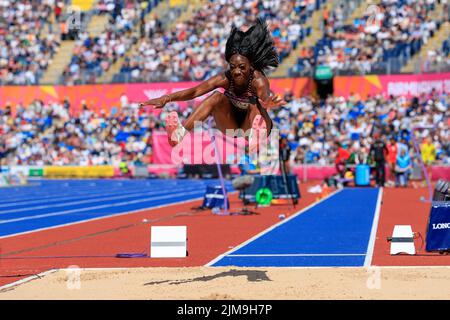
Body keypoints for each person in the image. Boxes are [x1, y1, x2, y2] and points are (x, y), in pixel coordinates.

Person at [138, 18, 286, 150]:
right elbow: (195, 92)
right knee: (216, 96)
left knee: (254, 103)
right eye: (232, 66)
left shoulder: (258, 80)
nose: (236, 71)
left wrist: (267, 104)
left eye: (242, 67)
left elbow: (265, 98)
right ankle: (180, 133)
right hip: (232, 126)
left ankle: (256, 138)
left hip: (255, 125)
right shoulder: (225, 78)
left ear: (251, 66)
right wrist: (166, 98)